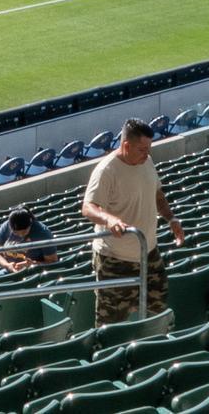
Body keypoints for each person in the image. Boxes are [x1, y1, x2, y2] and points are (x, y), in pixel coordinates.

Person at [81, 118, 183, 323]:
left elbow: (157, 194)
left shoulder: (147, 161)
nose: (147, 154)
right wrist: (109, 219)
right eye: (142, 149)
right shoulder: (106, 170)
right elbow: (88, 207)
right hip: (116, 259)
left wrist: (171, 218)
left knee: (157, 314)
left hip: (149, 252)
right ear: (126, 145)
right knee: (111, 322)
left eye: (149, 149)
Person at [0, 209, 59, 273]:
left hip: (36, 271)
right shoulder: (5, 227)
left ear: (30, 223)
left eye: (24, 232)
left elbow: (52, 261)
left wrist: (33, 264)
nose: (20, 235)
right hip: (10, 270)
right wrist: (7, 265)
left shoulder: (43, 232)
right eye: (16, 232)